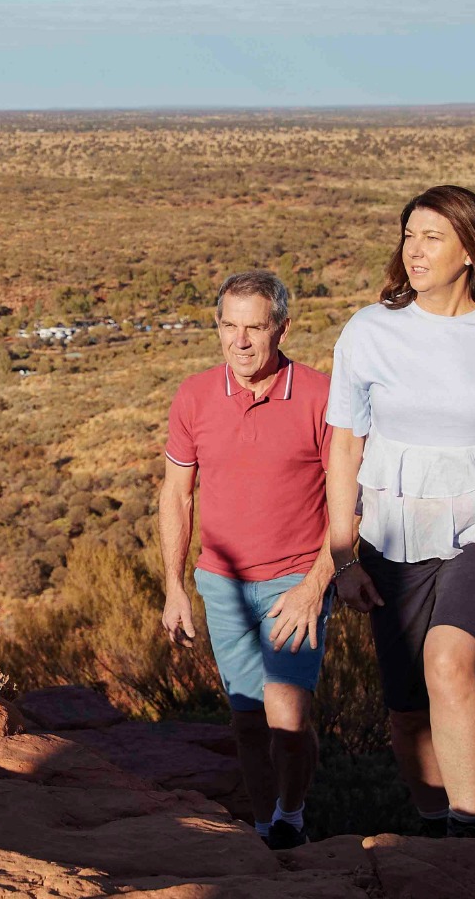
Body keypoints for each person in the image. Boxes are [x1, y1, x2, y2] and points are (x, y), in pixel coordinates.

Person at [323, 185, 475, 840]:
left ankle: (471, 833)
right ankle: (431, 829)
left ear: (468, 251)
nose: (415, 249)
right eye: (408, 235)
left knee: (448, 664)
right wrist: (341, 556)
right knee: (405, 711)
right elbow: (344, 446)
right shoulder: (369, 330)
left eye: (432, 236)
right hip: (389, 535)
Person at [160, 269, 334, 849]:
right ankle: (268, 832)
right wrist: (175, 587)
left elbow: (349, 500)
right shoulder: (194, 396)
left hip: (295, 582)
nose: (240, 341)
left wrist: (317, 586)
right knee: (246, 720)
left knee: (287, 719)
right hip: (222, 584)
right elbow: (176, 494)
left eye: (254, 327)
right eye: (228, 326)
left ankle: (292, 812)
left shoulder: (319, 394)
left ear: (281, 328)